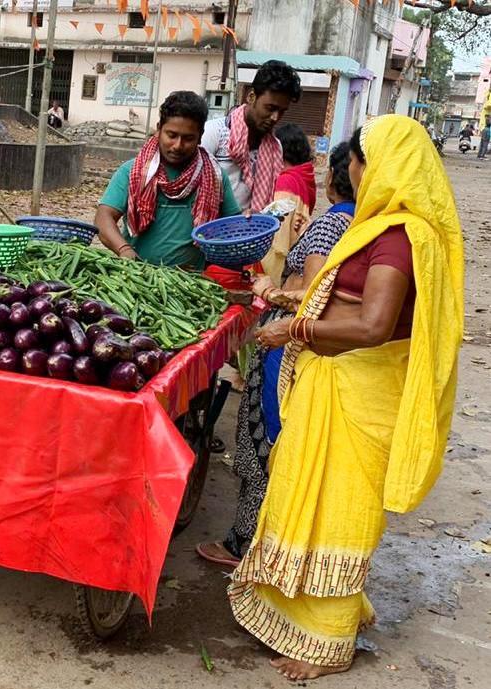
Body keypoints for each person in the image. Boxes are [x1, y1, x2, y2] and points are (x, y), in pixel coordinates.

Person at [227, 115, 464, 680]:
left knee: (339, 511)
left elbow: (373, 325)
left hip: (362, 391)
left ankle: (327, 641)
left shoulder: (402, 238)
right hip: (335, 383)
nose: (349, 168)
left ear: (376, 164)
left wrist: (297, 332)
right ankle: (307, 610)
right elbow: (338, 297)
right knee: (308, 499)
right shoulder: (376, 227)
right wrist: (284, 297)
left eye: (355, 157)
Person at [196, 142, 356, 569]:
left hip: (287, 350)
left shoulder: (328, 227)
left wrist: (266, 287)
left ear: (332, 180)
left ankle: (243, 547)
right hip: (316, 354)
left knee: (261, 448)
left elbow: (313, 296)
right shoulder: (361, 226)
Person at [95, 91, 240, 269]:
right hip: (139, 278)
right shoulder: (133, 171)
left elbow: (233, 227)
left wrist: (248, 221)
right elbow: (104, 217)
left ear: (200, 135)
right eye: (171, 135)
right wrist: (124, 249)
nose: (178, 145)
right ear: (159, 129)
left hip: (191, 285)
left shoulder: (215, 176)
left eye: (188, 138)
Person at [201, 60, 301, 212]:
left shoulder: (275, 147)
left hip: (248, 232)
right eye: (270, 108)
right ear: (251, 97)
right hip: (210, 230)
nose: (275, 117)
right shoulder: (214, 133)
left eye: (282, 111)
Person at [260, 123, 317, 283]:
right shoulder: (305, 176)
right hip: (298, 251)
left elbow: (278, 230)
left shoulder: (286, 180)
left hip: (283, 257)